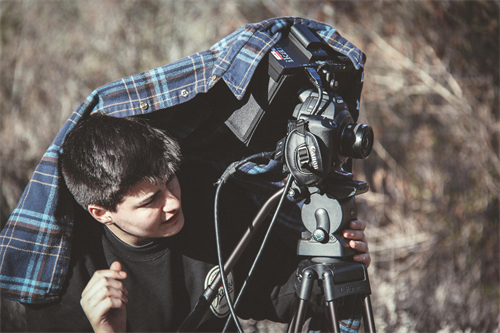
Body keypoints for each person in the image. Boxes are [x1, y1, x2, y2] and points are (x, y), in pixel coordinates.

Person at [21, 113, 370, 332]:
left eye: (171, 181)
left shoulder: (212, 205)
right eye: (150, 201)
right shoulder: (66, 279)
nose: (173, 202)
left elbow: (275, 293)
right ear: (102, 212)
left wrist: (333, 259)